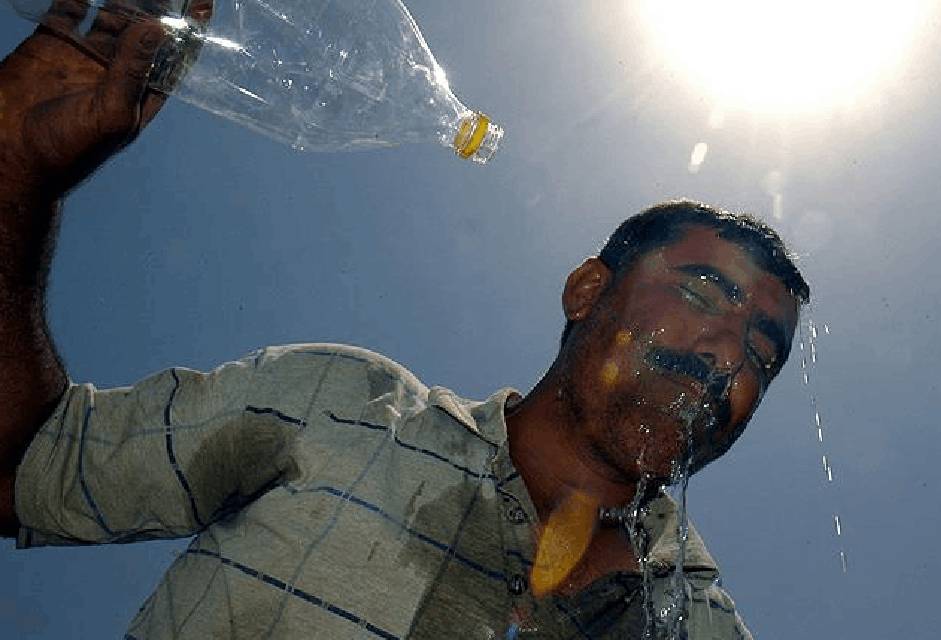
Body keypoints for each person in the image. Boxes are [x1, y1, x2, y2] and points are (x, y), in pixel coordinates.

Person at [0, 9, 809, 640]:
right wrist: (14, 169)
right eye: (703, 294)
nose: (726, 354)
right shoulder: (336, 410)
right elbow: (24, 473)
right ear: (587, 289)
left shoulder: (698, 625)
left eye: (763, 355)